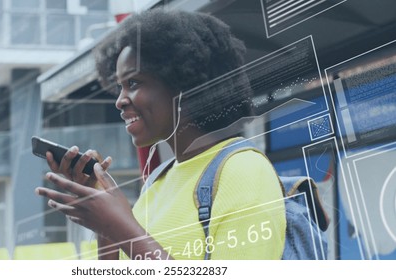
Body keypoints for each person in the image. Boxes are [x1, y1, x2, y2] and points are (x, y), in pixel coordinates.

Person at [35, 8, 286, 260]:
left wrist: (121, 227)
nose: (120, 101)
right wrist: (105, 224)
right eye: (119, 87)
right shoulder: (157, 181)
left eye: (133, 83)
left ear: (183, 83)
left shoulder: (244, 170)